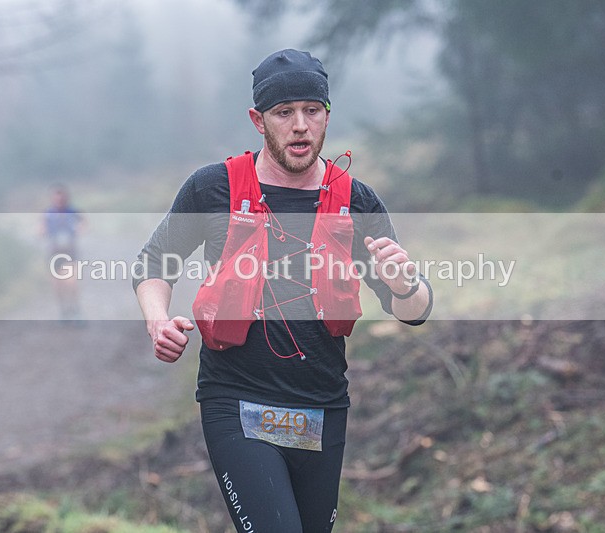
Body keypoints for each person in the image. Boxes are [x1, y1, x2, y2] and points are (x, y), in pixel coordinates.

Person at [133, 49, 432, 532]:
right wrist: (157, 318)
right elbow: (153, 264)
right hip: (237, 399)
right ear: (258, 119)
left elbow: (415, 310)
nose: (299, 126)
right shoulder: (213, 189)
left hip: (322, 405)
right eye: (284, 112)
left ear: (327, 116)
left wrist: (406, 284)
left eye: (312, 111)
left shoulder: (356, 200)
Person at [42, 184, 84, 321]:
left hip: (70, 253)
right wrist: (43, 231)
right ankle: (64, 312)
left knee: (72, 284)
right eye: (56, 199)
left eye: (61, 199)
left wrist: (79, 229)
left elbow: (84, 224)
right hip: (54, 254)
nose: (59, 202)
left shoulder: (72, 212)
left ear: (66, 199)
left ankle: (76, 311)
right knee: (57, 286)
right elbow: (40, 229)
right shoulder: (49, 214)